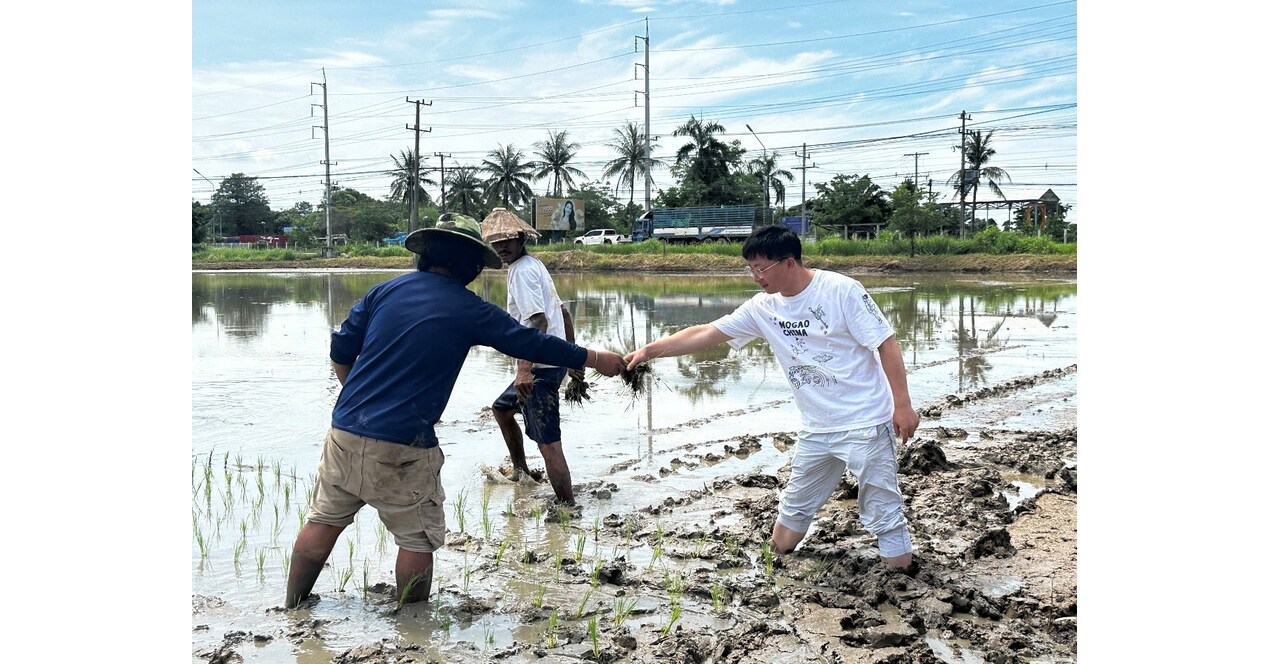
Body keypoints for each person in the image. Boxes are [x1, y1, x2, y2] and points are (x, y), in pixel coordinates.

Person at [284, 213, 626, 609]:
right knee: (414, 538)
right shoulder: (468, 308)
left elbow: (340, 351)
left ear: (423, 257)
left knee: (323, 521)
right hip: (405, 444)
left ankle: (292, 606)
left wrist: (356, 399)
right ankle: (413, 627)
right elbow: (530, 342)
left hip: (344, 431)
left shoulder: (383, 292)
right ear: (472, 267)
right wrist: (593, 357)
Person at [623, 225, 919, 570]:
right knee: (786, 529)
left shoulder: (840, 290)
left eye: (760, 268)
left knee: (883, 510)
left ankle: (901, 579)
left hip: (865, 420)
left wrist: (902, 404)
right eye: (750, 268)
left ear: (788, 263)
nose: (755, 277)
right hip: (818, 428)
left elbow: (886, 342)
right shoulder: (763, 308)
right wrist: (649, 350)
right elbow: (706, 333)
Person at [480, 209, 583, 503]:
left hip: (539, 369)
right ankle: (520, 470)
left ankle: (567, 506)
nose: (502, 247)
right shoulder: (530, 265)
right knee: (502, 410)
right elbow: (562, 312)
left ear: (522, 238)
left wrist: (524, 370)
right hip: (550, 363)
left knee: (548, 443)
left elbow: (537, 321)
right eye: (496, 243)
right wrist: (572, 358)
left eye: (508, 240)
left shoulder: (523, 271)